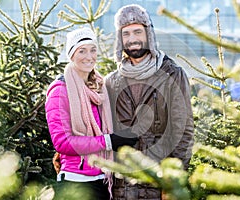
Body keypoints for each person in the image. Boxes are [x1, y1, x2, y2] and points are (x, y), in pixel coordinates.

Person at [104, 4, 194, 200]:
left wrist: (172, 182)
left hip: (158, 183)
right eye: (126, 34)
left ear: (149, 34)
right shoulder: (111, 81)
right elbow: (100, 128)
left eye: (137, 31)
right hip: (122, 187)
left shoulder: (172, 74)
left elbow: (183, 131)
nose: (132, 39)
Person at [45, 27, 138, 200]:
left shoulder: (99, 87)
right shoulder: (60, 91)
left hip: (103, 180)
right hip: (76, 182)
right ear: (71, 55)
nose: (89, 56)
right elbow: (62, 142)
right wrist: (109, 141)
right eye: (82, 51)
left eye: (93, 50)